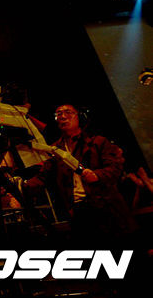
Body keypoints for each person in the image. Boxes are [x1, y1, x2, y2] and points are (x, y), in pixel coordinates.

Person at [24, 103, 136, 247]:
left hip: (106, 209)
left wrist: (97, 175)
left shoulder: (98, 142)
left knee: (120, 249)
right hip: (77, 212)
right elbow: (42, 177)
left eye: (68, 112)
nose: (63, 116)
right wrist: (21, 186)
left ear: (79, 117)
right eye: (58, 114)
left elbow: (115, 168)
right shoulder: (55, 150)